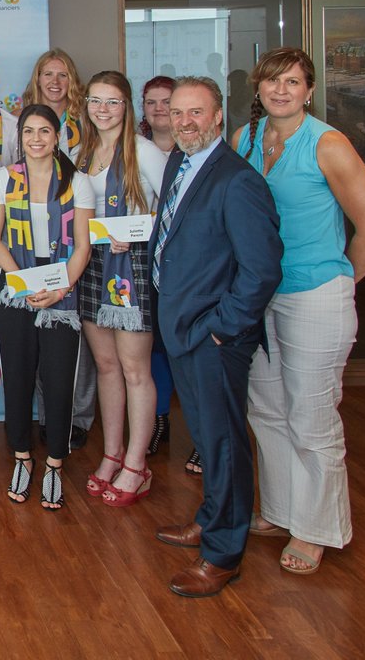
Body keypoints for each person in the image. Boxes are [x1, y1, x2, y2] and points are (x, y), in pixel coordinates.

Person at [234, 48, 365, 575]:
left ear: (309, 90)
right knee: (267, 410)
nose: (281, 91)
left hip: (315, 295)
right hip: (258, 296)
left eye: (292, 82)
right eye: (272, 82)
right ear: (259, 89)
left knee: (311, 418)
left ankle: (317, 529)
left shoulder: (329, 144)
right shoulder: (245, 140)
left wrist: (338, 281)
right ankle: (280, 510)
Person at [151, 76, 282, 598]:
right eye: (177, 113)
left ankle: (224, 553)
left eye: (195, 113)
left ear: (218, 117)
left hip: (212, 337)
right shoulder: (183, 164)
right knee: (206, 438)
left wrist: (222, 330)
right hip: (182, 327)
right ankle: (210, 519)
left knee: (224, 444)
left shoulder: (237, 179)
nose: (184, 122)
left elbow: (261, 270)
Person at [0, 104, 93, 511]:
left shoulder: (76, 182)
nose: (36, 139)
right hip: (16, 288)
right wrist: (24, 282)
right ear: (20, 137)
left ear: (56, 135)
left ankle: (54, 463)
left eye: (44, 131)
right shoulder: (1, 179)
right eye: (28, 131)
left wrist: (61, 286)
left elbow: (82, 245)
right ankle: (22, 459)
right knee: (18, 377)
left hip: (63, 288)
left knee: (60, 380)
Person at [75, 72, 168, 506]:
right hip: (92, 266)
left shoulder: (144, 151)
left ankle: (137, 463)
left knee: (135, 370)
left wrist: (136, 233)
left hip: (130, 269)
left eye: (113, 102)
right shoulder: (81, 151)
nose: (103, 109)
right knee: (106, 366)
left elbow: (172, 210)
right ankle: (112, 454)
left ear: (127, 106)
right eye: (97, 101)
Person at [21, 48, 96, 450]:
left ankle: (75, 418)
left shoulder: (88, 123)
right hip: (31, 247)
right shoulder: (20, 122)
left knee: (73, 336)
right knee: (38, 331)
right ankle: (47, 416)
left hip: (76, 244)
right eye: (47, 74)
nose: (55, 82)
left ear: (73, 82)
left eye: (63, 75)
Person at [137, 75, 196, 473]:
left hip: (187, 269)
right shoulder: (134, 148)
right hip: (141, 265)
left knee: (187, 352)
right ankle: (158, 420)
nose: (160, 110)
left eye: (168, 103)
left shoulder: (196, 150)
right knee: (154, 347)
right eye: (153, 103)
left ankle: (201, 438)